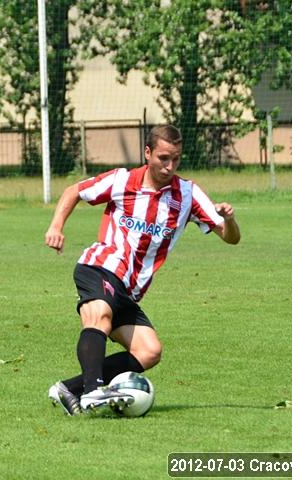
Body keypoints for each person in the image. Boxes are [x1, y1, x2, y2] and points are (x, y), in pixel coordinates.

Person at [45, 124, 241, 415]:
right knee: (99, 315)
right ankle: (92, 391)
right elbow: (75, 191)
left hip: (128, 288)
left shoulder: (188, 194)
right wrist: (56, 226)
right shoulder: (122, 180)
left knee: (149, 351)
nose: (169, 165)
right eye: (163, 157)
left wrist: (229, 219)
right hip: (100, 266)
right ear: (147, 153)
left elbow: (230, 237)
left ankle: (68, 389)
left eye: (175, 158)